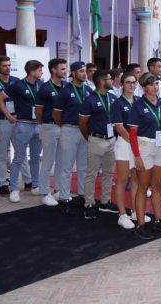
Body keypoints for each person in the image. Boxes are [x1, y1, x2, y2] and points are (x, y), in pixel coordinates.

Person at [128, 72, 161, 240]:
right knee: (142, 186)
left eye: (156, 83)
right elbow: (132, 133)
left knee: (158, 186)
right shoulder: (138, 105)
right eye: (151, 84)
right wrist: (137, 156)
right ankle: (141, 224)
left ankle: (158, 219)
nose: (155, 87)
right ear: (144, 87)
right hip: (144, 145)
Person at [0, 60, 44, 202]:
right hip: (22, 124)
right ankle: (13, 188)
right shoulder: (18, 85)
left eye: (9, 65)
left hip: (37, 125)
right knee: (17, 157)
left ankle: (35, 185)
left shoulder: (40, 85)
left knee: (35, 158)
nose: (42, 73)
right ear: (32, 71)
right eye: (40, 70)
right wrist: (8, 115)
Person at [53, 61, 92, 214]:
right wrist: (65, 126)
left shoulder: (89, 90)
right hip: (69, 130)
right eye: (81, 71)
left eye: (85, 71)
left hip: (85, 131)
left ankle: (82, 195)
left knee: (83, 167)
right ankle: (64, 197)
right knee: (66, 166)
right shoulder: (65, 91)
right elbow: (56, 114)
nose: (84, 73)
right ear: (73, 73)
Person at [111, 72, 149, 228]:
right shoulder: (117, 103)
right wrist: (134, 145)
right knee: (122, 180)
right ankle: (122, 215)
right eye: (128, 82)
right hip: (124, 144)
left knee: (136, 180)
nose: (132, 85)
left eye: (134, 82)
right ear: (122, 84)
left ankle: (135, 211)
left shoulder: (140, 101)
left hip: (138, 145)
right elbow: (119, 128)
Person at [79, 70, 118, 219]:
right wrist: (89, 137)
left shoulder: (113, 98)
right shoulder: (90, 100)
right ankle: (89, 203)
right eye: (109, 79)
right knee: (91, 173)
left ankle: (105, 201)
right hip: (96, 139)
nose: (112, 80)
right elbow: (82, 123)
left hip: (111, 140)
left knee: (108, 173)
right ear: (102, 81)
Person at [35, 58, 67, 206]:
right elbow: (38, 110)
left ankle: (59, 189)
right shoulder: (45, 88)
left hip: (64, 127)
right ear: (54, 70)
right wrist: (45, 124)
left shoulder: (66, 86)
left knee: (62, 160)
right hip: (49, 126)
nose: (65, 71)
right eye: (62, 69)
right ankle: (44, 192)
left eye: (66, 69)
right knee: (48, 161)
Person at [0, 55, 30, 196]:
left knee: (21, 152)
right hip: (1, 122)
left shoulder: (16, 81)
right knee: (1, 155)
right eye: (5, 65)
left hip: (17, 121)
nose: (8, 68)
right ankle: (3, 183)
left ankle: (28, 180)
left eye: (9, 65)